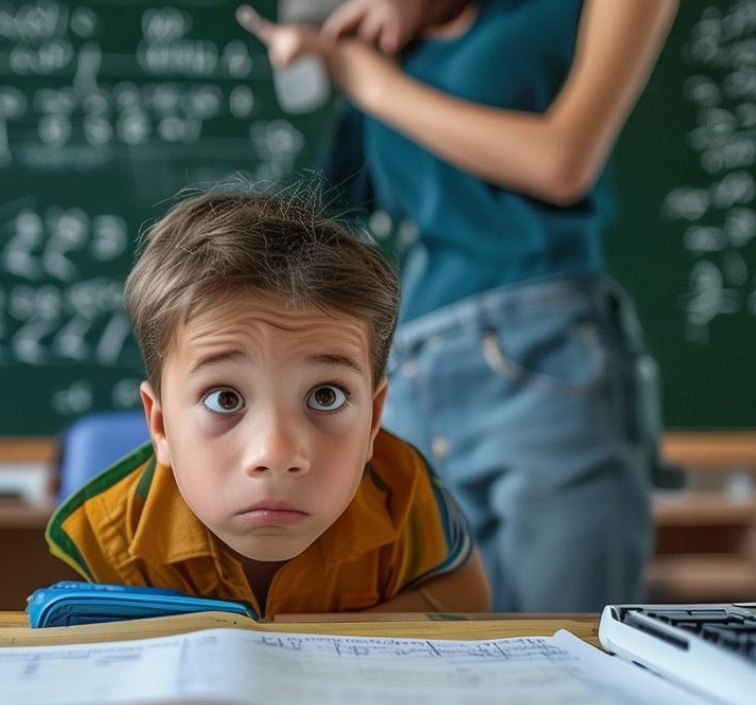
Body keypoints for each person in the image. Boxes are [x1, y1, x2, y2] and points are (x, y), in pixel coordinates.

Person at [239, 0, 677, 612]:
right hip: (411, 378)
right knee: (441, 675)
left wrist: (372, 83)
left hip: (537, 358)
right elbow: (339, 214)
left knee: (570, 653)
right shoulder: (395, 45)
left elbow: (563, 162)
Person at [46, 188, 491, 617]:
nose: (276, 455)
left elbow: (464, 596)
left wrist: (315, 640)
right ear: (159, 426)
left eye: (325, 396)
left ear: (373, 419)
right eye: (225, 398)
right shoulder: (113, 532)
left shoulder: (403, 490)